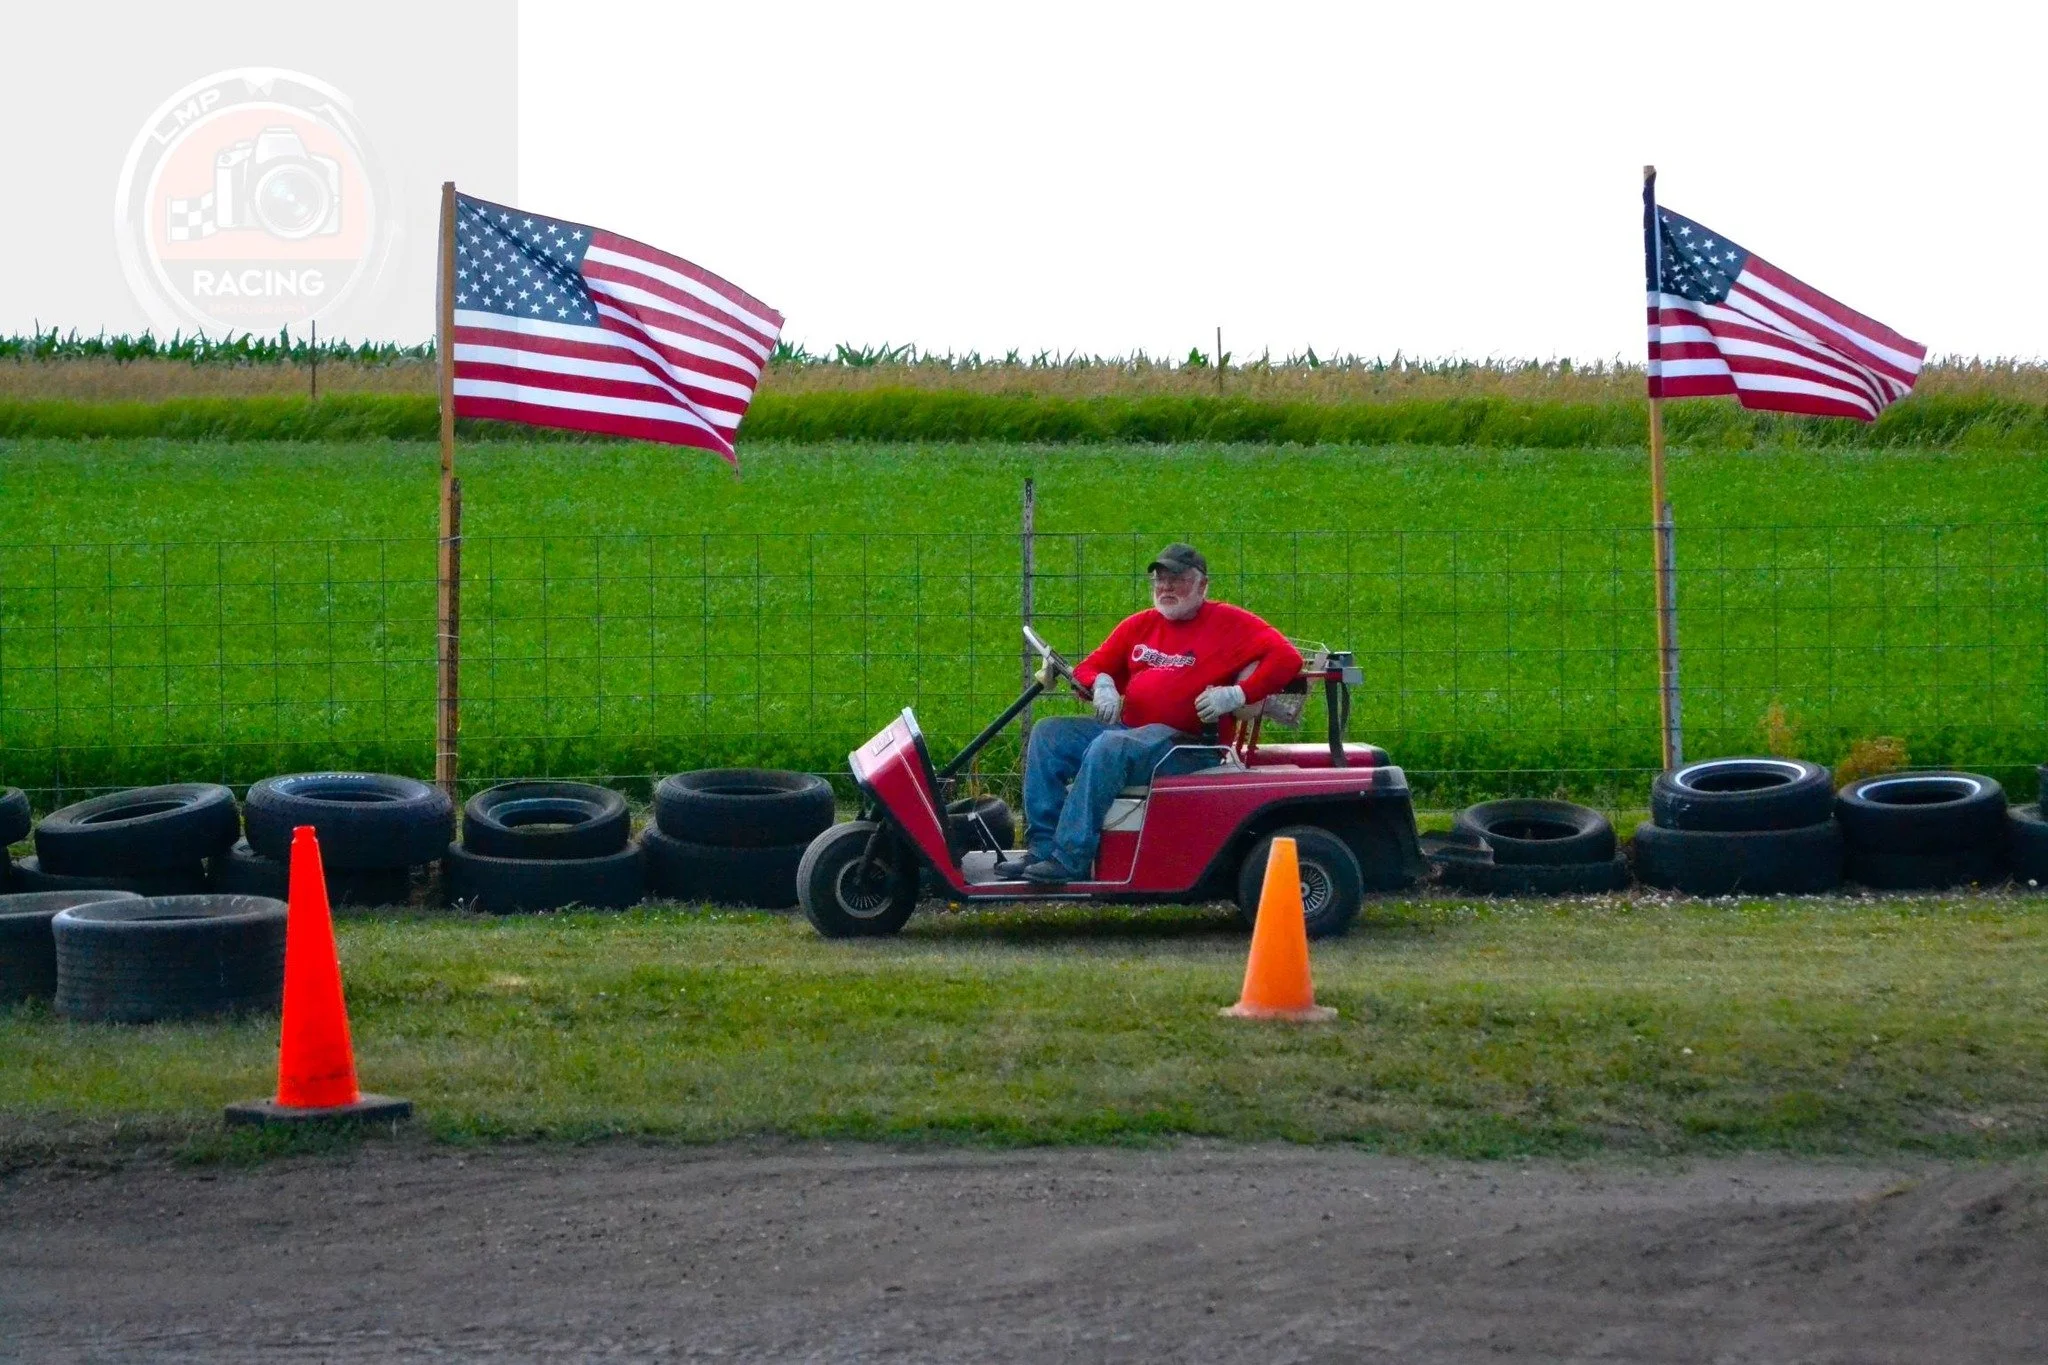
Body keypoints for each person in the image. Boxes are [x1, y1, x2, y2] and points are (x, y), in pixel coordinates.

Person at [1006, 543, 1303, 884]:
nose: (1165, 588)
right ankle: (1042, 849)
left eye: (1177, 580)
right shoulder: (1140, 625)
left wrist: (1238, 694)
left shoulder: (1230, 624)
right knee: (1048, 734)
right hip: (1130, 731)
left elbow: (1287, 658)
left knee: (1110, 747)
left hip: (1187, 746)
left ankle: (1069, 858)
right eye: (1159, 579)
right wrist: (1101, 683)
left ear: (1202, 586)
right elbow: (1092, 666)